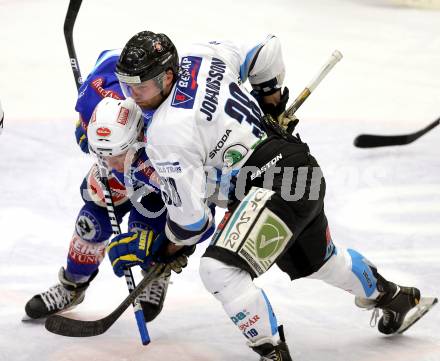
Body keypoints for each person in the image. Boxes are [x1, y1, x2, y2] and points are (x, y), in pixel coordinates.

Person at [105, 31, 427, 360]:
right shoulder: (200, 56)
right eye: (126, 84)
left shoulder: (166, 132)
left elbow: (192, 223)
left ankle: (273, 354)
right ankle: (396, 298)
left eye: (139, 86)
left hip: (271, 184)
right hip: (300, 169)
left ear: (167, 77)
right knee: (321, 262)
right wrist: (271, 101)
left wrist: (164, 249)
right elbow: (265, 51)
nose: (132, 95)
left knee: (219, 269)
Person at [24, 51, 210, 321]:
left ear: (138, 136)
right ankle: (72, 286)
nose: (114, 163)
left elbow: (197, 212)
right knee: (90, 221)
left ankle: (155, 270)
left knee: (145, 231)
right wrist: (84, 127)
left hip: (154, 176)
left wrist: (167, 249)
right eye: (105, 154)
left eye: (118, 155)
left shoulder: (165, 137)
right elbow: (109, 57)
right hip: (130, 161)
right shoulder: (93, 99)